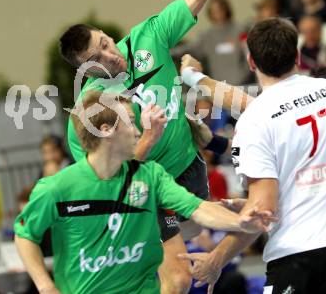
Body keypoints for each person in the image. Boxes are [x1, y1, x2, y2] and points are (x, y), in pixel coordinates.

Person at [59, 0, 211, 293]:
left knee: (182, 261)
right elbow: (108, 183)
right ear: (84, 70)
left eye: (106, 43)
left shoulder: (147, 37)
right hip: (145, 190)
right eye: (96, 59)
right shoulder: (91, 110)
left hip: (189, 169)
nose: (110, 56)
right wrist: (147, 141)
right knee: (177, 277)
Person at [14, 91, 275, 294]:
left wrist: (239, 221)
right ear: (106, 131)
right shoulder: (57, 188)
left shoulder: (150, 175)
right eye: (129, 121)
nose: (138, 129)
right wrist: (45, 286)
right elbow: (25, 234)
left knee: (179, 279)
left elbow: (196, 207)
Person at [179, 18, 326, 293]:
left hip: (297, 256)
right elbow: (270, 108)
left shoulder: (257, 119)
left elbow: (263, 212)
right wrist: (195, 79)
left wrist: (215, 259)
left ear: (251, 62)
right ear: (296, 55)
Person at [172, 0, 250, 85]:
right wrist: (167, 52)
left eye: (220, 9)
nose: (217, 13)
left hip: (243, 84)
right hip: (220, 86)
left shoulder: (240, 30)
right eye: (213, 10)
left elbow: (248, 55)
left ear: (226, 9)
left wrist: (244, 77)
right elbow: (189, 49)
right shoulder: (207, 36)